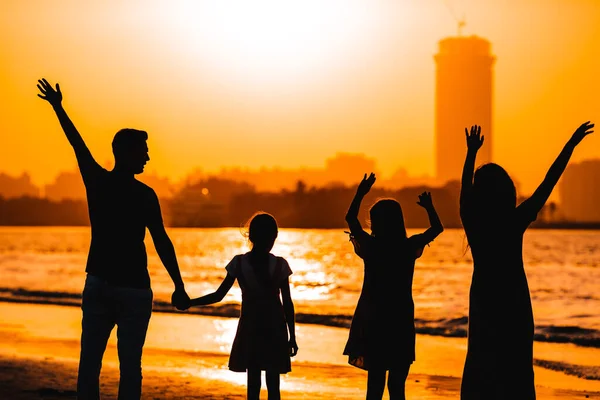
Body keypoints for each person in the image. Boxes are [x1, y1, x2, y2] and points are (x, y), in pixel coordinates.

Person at [36, 78, 190, 400]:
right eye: (143, 152)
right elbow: (161, 241)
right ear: (126, 153)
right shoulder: (141, 194)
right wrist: (178, 285)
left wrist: (59, 107)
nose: (147, 158)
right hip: (129, 290)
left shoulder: (100, 183)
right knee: (129, 367)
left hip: (105, 286)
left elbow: (77, 146)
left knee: (90, 364)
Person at [459, 122, 594, 399]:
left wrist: (471, 153)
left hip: (484, 300)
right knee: (516, 370)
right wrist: (570, 145)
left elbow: (465, 192)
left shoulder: (474, 222)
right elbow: (549, 182)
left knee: (481, 363)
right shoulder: (513, 220)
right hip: (515, 303)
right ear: (507, 192)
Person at [343, 173, 444, 400]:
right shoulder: (408, 247)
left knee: (375, 387)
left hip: (374, 320)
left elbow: (350, 218)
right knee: (397, 388)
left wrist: (360, 193)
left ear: (375, 223)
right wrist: (429, 207)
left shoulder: (371, 246)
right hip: (400, 320)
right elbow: (437, 228)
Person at [184, 212, 298, 400]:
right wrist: (292, 336)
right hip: (274, 329)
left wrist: (191, 303)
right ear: (274, 237)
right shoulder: (279, 265)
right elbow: (287, 304)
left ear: (250, 236)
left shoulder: (239, 263)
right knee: (273, 386)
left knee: (253, 385)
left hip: (251, 328)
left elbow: (218, 295)